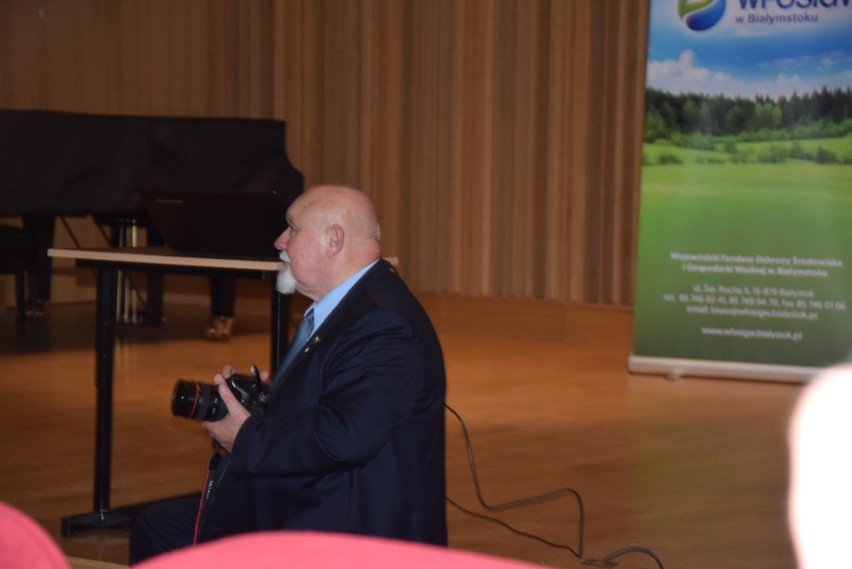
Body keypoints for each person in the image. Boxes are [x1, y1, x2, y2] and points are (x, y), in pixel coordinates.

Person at [129, 184, 447, 563]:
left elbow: (343, 437)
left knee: (164, 532)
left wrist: (247, 436)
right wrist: (256, 409)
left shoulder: (382, 323)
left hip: (347, 532)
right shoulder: (348, 309)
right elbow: (331, 410)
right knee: (161, 526)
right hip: (315, 501)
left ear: (333, 240)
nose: (279, 241)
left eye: (293, 229)